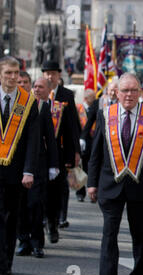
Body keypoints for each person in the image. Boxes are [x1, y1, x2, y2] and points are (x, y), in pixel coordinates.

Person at [87, 73, 143, 275]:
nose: (129, 95)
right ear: (116, 93)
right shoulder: (105, 115)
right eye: (125, 90)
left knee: (140, 235)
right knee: (109, 235)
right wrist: (91, 183)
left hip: (142, 185)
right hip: (110, 185)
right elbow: (96, 151)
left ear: (140, 92)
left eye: (133, 90)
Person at [0, 56, 39, 275]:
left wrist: (29, 170)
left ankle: (7, 261)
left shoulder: (28, 101)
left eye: (16, 73)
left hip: (16, 171)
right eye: (8, 73)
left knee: (11, 217)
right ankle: (1, 262)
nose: (13, 77)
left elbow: (33, 140)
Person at [16, 77, 59, 258]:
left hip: (38, 164)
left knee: (35, 204)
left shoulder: (42, 107)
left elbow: (50, 138)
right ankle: (23, 241)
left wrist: (53, 165)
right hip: (17, 163)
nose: (31, 87)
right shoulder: (15, 105)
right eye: (30, 85)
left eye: (28, 83)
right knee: (20, 205)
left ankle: (36, 242)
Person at [42, 61, 80, 242]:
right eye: (47, 73)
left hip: (60, 151)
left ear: (59, 75)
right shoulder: (38, 93)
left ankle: (53, 223)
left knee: (56, 190)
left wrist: (75, 153)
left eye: (53, 73)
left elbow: (73, 125)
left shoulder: (66, 95)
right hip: (39, 151)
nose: (50, 76)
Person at [76, 89, 99, 202]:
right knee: (80, 167)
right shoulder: (78, 108)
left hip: (93, 140)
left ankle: (93, 192)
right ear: (86, 98)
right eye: (92, 97)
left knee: (91, 167)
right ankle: (80, 192)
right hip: (81, 140)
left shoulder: (95, 107)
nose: (95, 99)